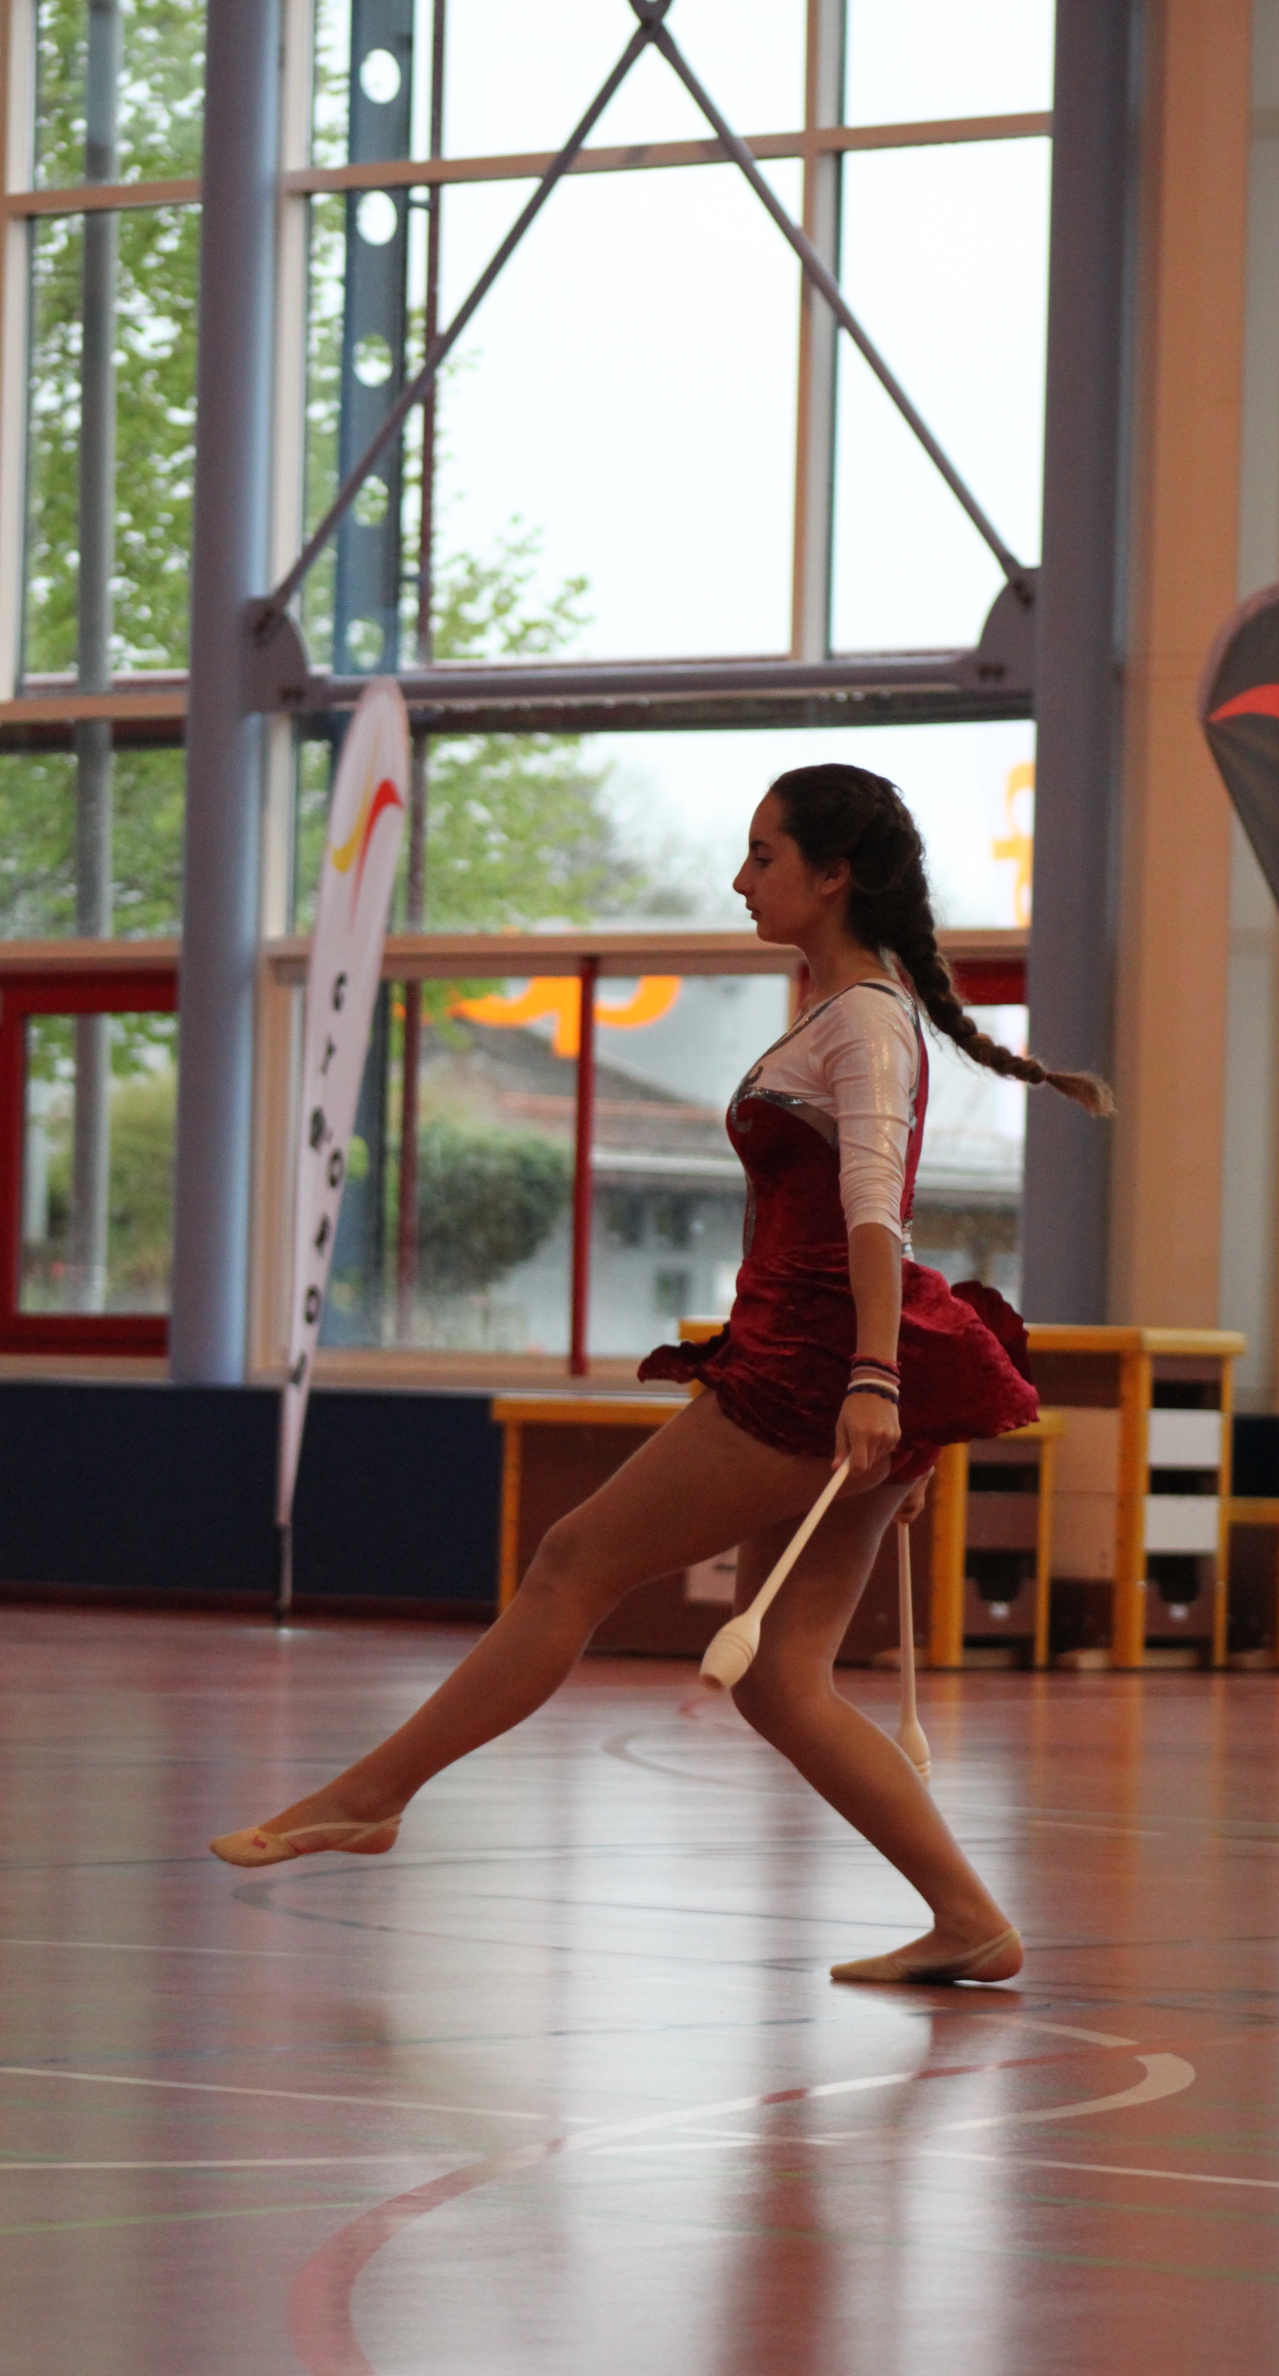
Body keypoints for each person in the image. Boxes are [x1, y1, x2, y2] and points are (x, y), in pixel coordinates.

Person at [211, 764, 1111, 1986]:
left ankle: (373, 1795)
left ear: (833, 875)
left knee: (571, 1563)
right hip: (835, 1362)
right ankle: (970, 1920)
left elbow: (874, 1213)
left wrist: (872, 1380)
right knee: (783, 1682)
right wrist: (883, 1391)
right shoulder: (849, 1011)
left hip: (813, 1372)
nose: (740, 879)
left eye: (763, 856)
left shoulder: (863, 1021)